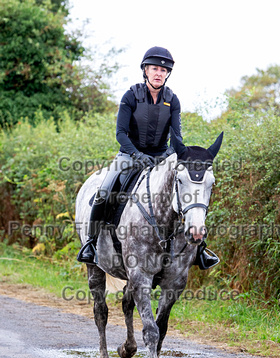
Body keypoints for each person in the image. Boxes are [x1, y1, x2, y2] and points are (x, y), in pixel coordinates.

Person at [77, 46, 218, 270]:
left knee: (189, 190)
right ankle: (91, 245)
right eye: (155, 68)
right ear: (145, 70)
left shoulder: (173, 99)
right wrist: (137, 154)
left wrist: (171, 155)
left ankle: (200, 249)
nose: (159, 73)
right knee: (103, 192)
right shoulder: (131, 96)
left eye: (163, 70)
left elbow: (177, 136)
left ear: (167, 74)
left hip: (162, 157)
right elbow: (120, 134)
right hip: (129, 155)